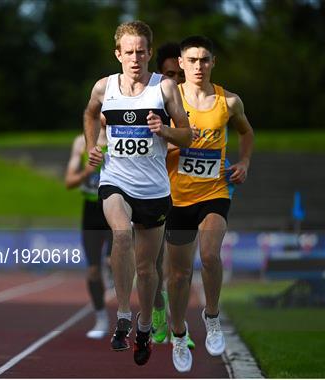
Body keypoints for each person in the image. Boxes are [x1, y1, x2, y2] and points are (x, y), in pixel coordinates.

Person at [83, 20, 192, 366]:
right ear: (118, 54)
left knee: (146, 270)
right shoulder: (104, 88)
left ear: (148, 53)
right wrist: (91, 147)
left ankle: (144, 326)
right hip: (116, 180)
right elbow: (89, 114)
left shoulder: (165, 89)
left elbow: (187, 136)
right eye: (128, 52)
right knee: (120, 234)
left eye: (141, 52)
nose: (135, 58)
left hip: (155, 190)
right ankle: (125, 317)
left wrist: (165, 131)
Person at [165, 35, 254, 372]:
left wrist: (244, 163)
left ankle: (212, 317)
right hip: (177, 196)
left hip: (215, 190)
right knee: (177, 275)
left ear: (212, 62)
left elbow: (247, 133)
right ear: (182, 64)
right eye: (192, 60)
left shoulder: (228, 102)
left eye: (204, 60)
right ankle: (177, 333)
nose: (199, 66)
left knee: (210, 255)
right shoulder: (168, 100)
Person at [149, 41, 193, 348]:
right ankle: (157, 313)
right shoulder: (149, 101)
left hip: (187, 194)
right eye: (169, 74)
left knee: (181, 270)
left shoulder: (200, 104)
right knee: (152, 264)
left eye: (180, 74)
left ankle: (180, 326)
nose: (175, 80)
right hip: (152, 191)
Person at [65, 126, 112, 340]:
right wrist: (87, 171)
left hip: (115, 206)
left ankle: (126, 317)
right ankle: (101, 318)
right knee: (93, 271)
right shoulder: (80, 142)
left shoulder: (119, 136)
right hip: (91, 211)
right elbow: (69, 182)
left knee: (113, 262)